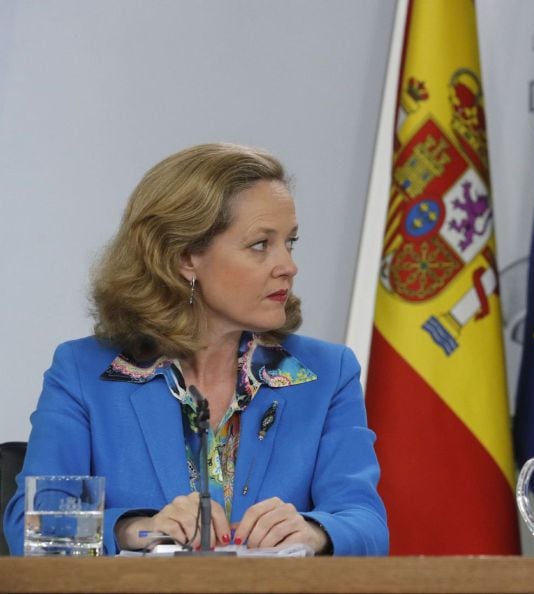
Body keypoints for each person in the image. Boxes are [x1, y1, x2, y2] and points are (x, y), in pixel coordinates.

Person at [3, 143, 388, 556]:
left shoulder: (326, 374)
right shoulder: (84, 372)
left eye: (290, 242)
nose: (287, 266)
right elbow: (32, 526)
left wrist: (315, 532)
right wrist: (138, 530)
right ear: (186, 256)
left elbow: (366, 523)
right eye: (261, 244)